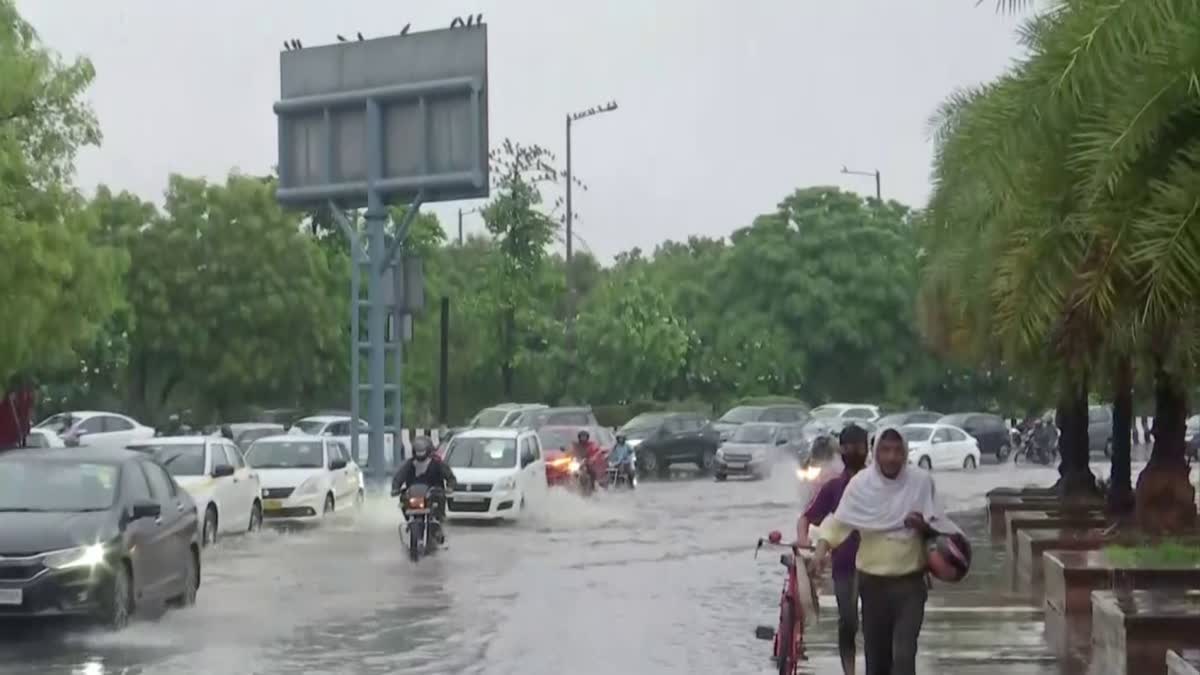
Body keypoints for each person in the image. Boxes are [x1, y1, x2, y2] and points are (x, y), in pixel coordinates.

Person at [812, 427, 960, 675]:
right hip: (872, 586)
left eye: (897, 450)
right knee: (878, 662)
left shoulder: (921, 482)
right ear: (875, 452)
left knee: (903, 657)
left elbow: (940, 526)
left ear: (905, 452)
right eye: (885, 450)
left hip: (910, 585)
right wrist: (820, 551)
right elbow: (839, 523)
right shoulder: (861, 485)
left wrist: (923, 526)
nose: (891, 457)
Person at [796, 424, 869, 675]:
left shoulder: (879, 484)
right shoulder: (834, 486)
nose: (856, 451)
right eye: (850, 446)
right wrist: (804, 540)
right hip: (844, 566)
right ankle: (849, 670)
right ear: (841, 449)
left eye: (861, 446)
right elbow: (806, 517)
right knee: (848, 621)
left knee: (875, 625)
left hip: (877, 568)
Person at [391, 436, 457, 542]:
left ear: (428, 450)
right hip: (415, 495)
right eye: (418, 452)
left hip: (433, 493)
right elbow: (399, 477)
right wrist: (395, 488)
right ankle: (409, 521)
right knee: (403, 498)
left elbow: (450, 477)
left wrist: (450, 487)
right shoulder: (409, 464)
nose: (420, 454)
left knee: (439, 498)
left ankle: (438, 526)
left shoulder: (437, 463)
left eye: (422, 451)